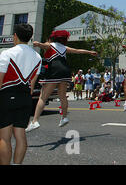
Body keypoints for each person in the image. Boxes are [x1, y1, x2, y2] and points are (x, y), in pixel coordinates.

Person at [26, 30, 97, 132]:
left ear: (53, 37)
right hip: (65, 71)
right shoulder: (64, 48)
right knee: (62, 96)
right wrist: (90, 52)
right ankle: (64, 117)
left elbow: (43, 46)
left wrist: (38, 44)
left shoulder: (50, 44)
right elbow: (77, 50)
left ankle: (35, 121)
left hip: (54, 70)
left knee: (43, 97)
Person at [0, 24, 42, 165]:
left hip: (6, 96)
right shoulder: (37, 57)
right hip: (25, 98)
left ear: (15, 36)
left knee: (4, 137)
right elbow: (31, 85)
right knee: (20, 134)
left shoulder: (7, 53)